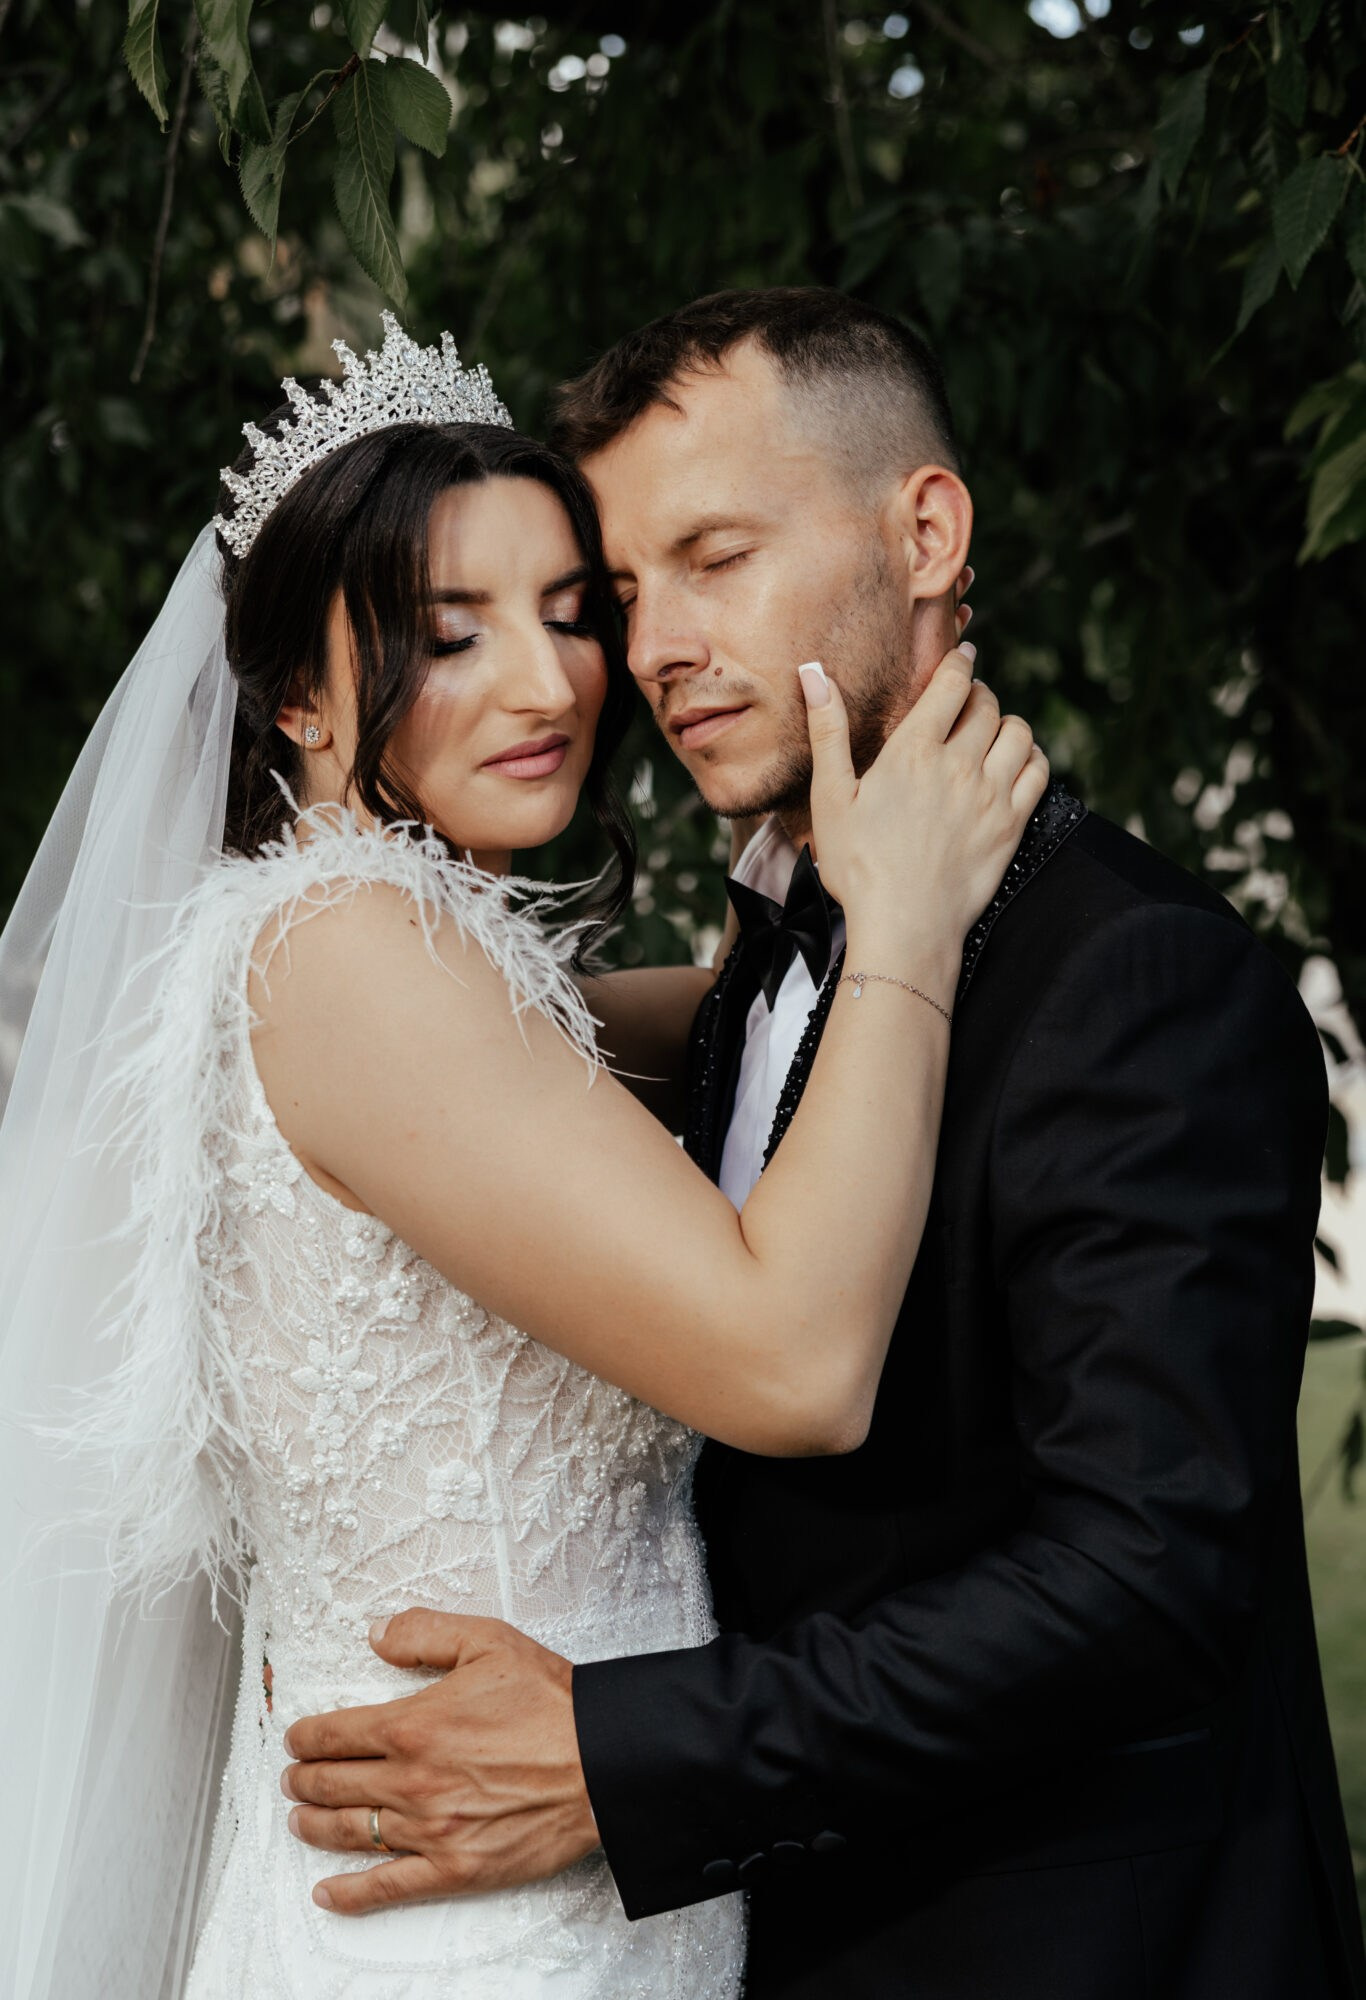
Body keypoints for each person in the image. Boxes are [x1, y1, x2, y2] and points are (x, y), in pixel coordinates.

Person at [283, 290, 1366, 2000]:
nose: (652, 649)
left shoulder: (1132, 974)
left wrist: (621, 1755)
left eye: (715, 558)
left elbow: (1143, 1583)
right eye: (623, 593)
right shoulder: (765, 961)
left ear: (924, 535)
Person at [0, 312, 1045, 2000]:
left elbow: (677, 1034)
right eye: (449, 634)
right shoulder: (355, 954)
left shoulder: (354, 957)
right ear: (295, 696)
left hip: (555, 1877)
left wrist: (807, 908)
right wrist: (910, 923)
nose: (549, 682)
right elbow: (792, 1368)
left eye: (570, 612)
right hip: (472, 1929)